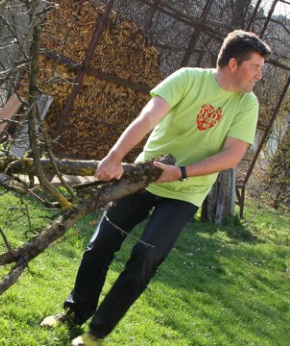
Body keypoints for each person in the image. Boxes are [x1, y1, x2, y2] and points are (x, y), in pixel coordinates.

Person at [40, 30, 272, 346]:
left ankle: (96, 332)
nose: (260, 75)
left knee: (146, 258)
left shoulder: (247, 104)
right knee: (101, 244)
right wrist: (115, 157)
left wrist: (180, 172)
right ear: (233, 63)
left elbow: (232, 156)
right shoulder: (188, 79)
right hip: (145, 176)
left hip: (185, 191)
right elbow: (148, 118)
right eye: (256, 67)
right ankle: (74, 312)